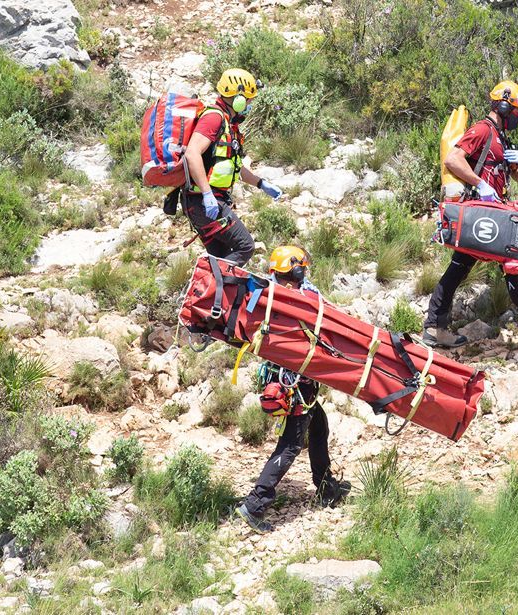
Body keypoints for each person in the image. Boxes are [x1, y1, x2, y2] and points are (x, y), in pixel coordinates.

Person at [423, 80, 518, 349]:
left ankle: (436, 328)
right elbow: (453, 159)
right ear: (504, 105)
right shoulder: (482, 130)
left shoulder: (500, 136)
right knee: (508, 265)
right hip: (481, 214)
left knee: (466, 268)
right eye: (517, 111)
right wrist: (480, 184)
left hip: (494, 213)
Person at [235, 246, 350, 533]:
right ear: (297, 270)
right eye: (303, 270)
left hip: (288, 379)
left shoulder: (271, 295)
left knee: (319, 427)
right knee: (291, 445)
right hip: (297, 385)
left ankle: (327, 488)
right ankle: (255, 504)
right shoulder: (302, 299)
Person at [183, 68, 282, 267]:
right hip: (204, 204)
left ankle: (214, 295)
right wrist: (207, 194)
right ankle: (211, 287)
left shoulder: (229, 125)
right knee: (245, 247)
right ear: (237, 98)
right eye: (248, 99)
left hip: (203, 204)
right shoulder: (214, 118)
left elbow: (234, 167)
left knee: (221, 257)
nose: (250, 104)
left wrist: (261, 184)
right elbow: (191, 153)